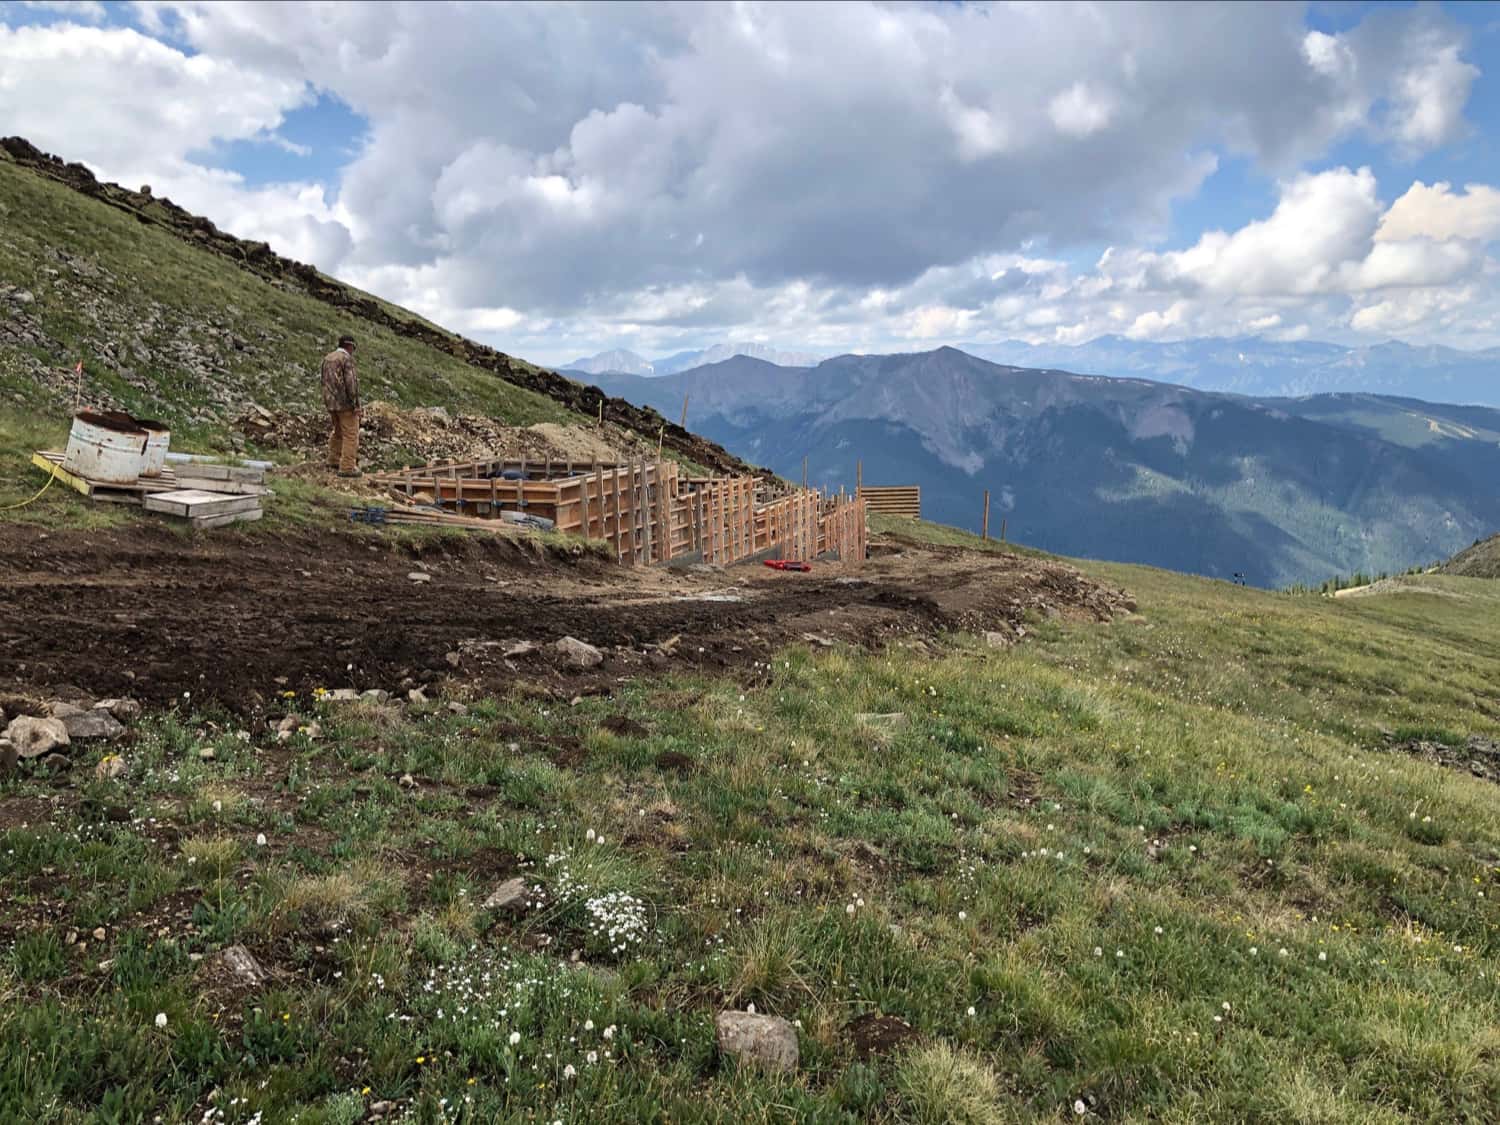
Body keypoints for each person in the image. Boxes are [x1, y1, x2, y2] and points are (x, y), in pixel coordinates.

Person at [321, 334, 360, 476]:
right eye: (353, 348)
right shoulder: (346, 359)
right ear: (350, 346)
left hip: (330, 402)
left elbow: (323, 381)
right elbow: (351, 383)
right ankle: (347, 467)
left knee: (338, 431)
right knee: (351, 435)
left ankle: (333, 459)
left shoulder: (328, 358)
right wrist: (355, 403)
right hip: (345, 404)